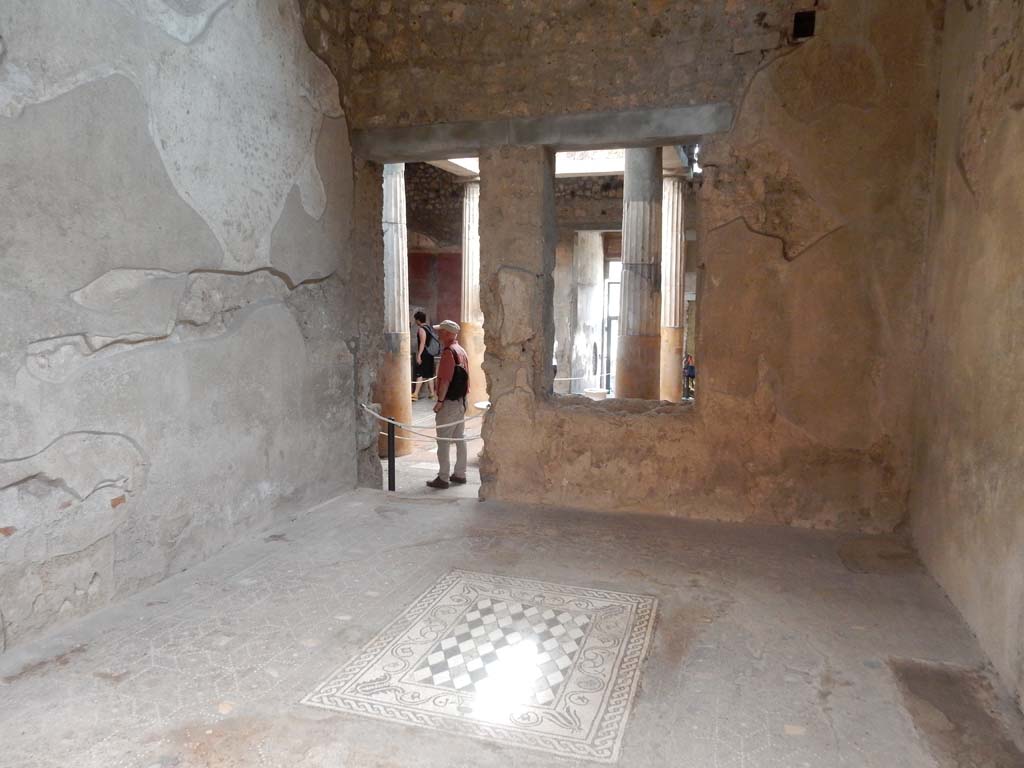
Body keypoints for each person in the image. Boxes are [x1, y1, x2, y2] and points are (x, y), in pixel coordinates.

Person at [427, 319, 470, 489]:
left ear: (447, 333)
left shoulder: (448, 353)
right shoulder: (461, 350)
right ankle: (460, 474)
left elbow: (445, 381)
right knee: (460, 438)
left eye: (441, 331)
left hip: (449, 403)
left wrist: (439, 402)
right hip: (461, 401)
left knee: (443, 440)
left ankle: (443, 477)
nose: (439, 333)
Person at [411, 310, 439, 401]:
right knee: (429, 374)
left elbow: (422, 343)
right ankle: (432, 393)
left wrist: (419, 355)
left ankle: (415, 394)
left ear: (418, 320)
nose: (415, 322)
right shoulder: (429, 328)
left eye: (416, 320)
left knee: (420, 373)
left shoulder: (421, 329)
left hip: (424, 354)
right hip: (430, 354)